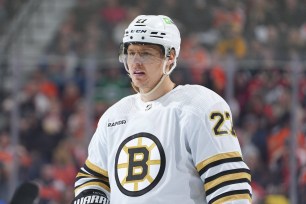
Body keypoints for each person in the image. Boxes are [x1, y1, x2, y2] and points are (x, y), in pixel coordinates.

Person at [72, 15, 252, 204]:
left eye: (146, 53)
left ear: (170, 57)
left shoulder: (200, 105)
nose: (135, 62)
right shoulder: (114, 116)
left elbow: (228, 183)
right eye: (131, 52)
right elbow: (93, 178)